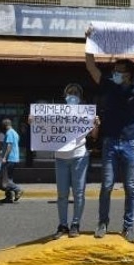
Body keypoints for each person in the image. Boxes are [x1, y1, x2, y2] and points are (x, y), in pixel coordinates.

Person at [85, 26, 134, 243]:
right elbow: (90, 66)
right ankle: (102, 222)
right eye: (114, 69)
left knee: (130, 188)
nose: (114, 73)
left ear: (128, 73)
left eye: (118, 70)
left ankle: (128, 227)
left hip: (131, 143)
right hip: (110, 142)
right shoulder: (108, 85)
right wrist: (88, 41)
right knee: (106, 185)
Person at [52, 83, 100, 239]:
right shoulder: (56, 112)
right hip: (60, 156)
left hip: (79, 155)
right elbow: (44, 128)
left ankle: (75, 224)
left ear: (80, 97)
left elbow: (93, 136)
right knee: (62, 194)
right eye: (69, 93)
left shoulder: (86, 113)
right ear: (65, 96)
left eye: (75, 93)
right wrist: (35, 120)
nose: (72, 95)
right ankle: (62, 225)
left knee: (79, 193)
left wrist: (96, 124)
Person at [0, 118, 24, 203]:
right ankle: (8, 197)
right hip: (14, 158)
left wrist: (5, 157)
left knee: (4, 179)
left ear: (5, 125)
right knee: (9, 178)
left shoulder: (9, 132)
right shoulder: (15, 133)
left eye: (2, 125)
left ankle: (18, 189)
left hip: (9, 159)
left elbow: (9, 146)